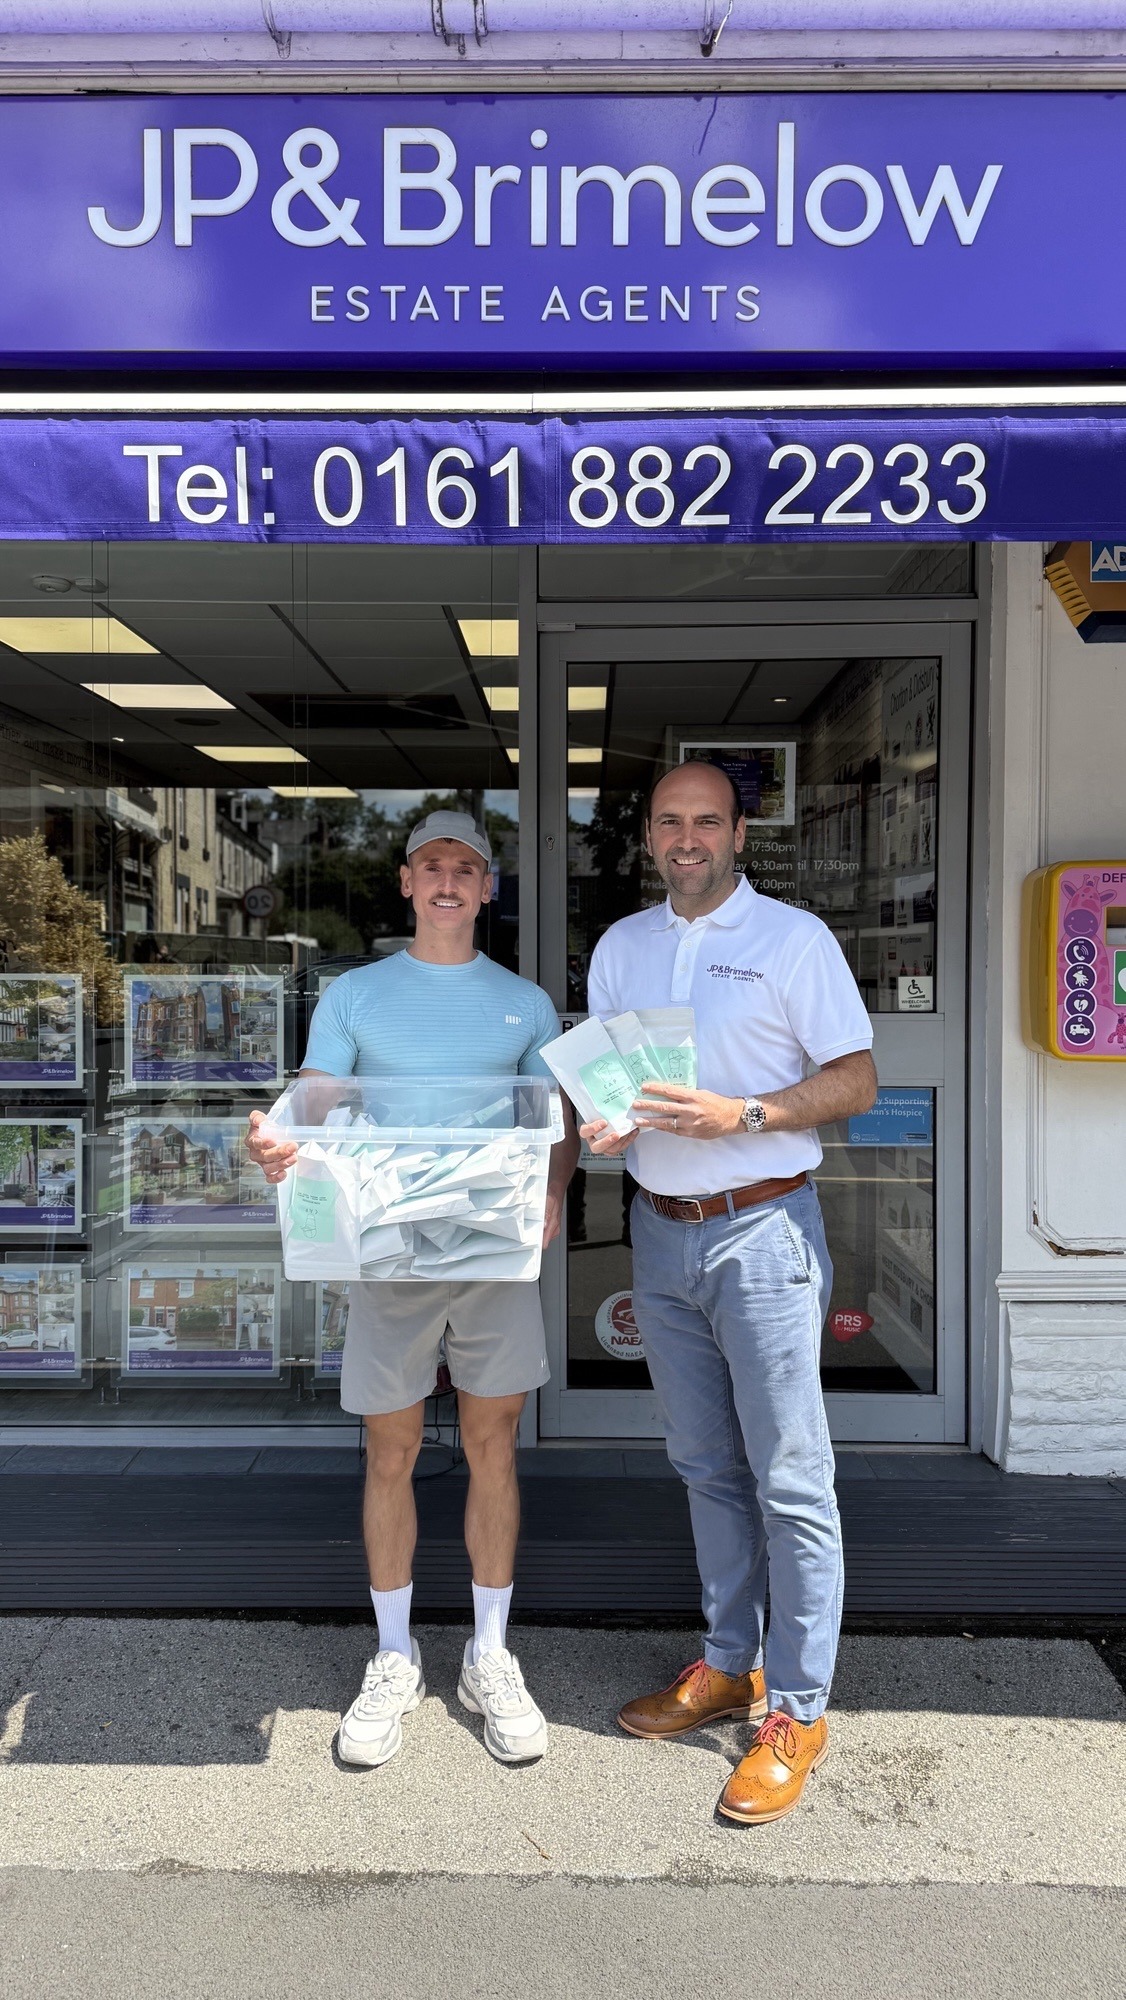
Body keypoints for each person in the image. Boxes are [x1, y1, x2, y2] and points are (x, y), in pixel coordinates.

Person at [248, 810, 578, 1771]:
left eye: (465, 869)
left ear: (486, 890)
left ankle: (488, 1654)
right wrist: (279, 1138)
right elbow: (316, 1099)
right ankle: (395, 1655)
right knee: (389, 1450)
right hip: (386, 1248)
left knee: (493, 1445)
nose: (447, 882)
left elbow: (551, 1119)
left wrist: (555, 1190)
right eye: (431, 865)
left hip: (491, 1251)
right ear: (405, 882)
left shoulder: (524, 1002)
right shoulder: (356, 994)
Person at [582, 761, 877, 1826]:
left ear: (738, 833)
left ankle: (796, 1711)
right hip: (661, 1233)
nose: (688, 838)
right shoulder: (622, 947)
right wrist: (606, 1123)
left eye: (707, 820)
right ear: (649, 836)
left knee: (791, 1477)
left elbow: (855, 1080)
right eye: (670, 821)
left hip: (763, 1231)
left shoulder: (793, 939)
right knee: (705, 1464)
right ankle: (725, 1663)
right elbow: (615, 1088)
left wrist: (740, 1114)